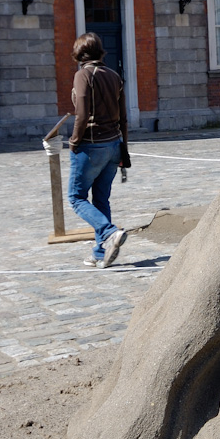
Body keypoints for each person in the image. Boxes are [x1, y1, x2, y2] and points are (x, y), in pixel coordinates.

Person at [67, 32, 128, 268]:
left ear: (79, 54)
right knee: (101, 199)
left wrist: (74, 141)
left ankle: (109, 232)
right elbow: (124, 118)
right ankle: (100, 253)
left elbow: (81, 114)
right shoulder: (114, 76)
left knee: (76, 198)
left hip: (91, 145)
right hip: (114, 144)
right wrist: (125, 150)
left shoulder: (83, 75)